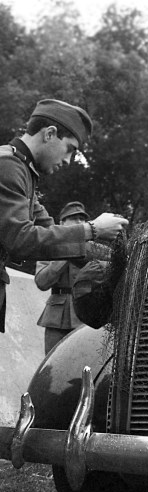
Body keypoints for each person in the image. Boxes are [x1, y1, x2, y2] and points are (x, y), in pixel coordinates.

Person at [0, 98, 128, 333]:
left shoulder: (22, 171)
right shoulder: (8, 167)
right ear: (50, 133)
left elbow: (54, 235)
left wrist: (120, 260)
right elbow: (21, 239)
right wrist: (93, 229)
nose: (69, 160)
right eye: (70, 149)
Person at [35, 201, 95, 354]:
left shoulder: (91, 249)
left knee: (83, 367)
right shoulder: (48, 246)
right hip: (56, 318)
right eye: (74, 218)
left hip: (84, 315)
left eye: (82, 219)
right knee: (52, 367)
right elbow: (41, 282)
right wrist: (66, 250)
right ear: (62, 223)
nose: (80, 222)